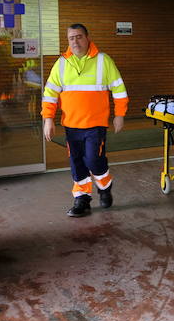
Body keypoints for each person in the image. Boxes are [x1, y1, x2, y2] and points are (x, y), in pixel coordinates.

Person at [42, 24, 128, 217]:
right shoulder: (61, 63)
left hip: (96, 126)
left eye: (79, 37)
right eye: (71, 38)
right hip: (71, 126)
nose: (75, 41)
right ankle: (82, 199)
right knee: (76, 163)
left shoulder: (103, 61)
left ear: (87, 38)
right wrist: (48, 119)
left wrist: (120, 114)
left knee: (93, 159)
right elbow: (50, 94)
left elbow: (119, 91)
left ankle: (104, 186)